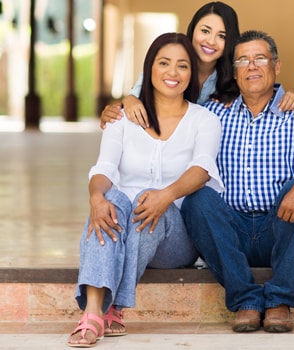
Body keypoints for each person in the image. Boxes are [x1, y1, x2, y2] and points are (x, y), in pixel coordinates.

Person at [66, 32, 223, 347]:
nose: (172, 73)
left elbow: (203, 169)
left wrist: (166, 195)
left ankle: (115, 305)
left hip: (174, 239)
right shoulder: (121, 119)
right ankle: (94, 314)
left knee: (145, 197)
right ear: (149, 68)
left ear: (192, 74)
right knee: (107, 199)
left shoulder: (204, 119)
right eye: (164, 63)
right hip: (124, 222)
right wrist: (95, 197)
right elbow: (105, 167)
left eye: (182, 66)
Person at [180, 30, 294, 333]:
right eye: (243, 60)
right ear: (234, 72)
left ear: (276, 66)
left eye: (260, 59)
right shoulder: (213, 112)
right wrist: (122, 108)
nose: (252, 66)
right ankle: (246, 301)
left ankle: (279, 299)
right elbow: (168, 121)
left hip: (280, 225)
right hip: (231, 230)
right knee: (197, 200)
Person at [100, 2, 294, 129]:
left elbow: (261, 84)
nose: (211, 41)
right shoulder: (169, 60)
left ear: (230, 41)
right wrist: (128, 100)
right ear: (192, 30)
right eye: (205, 31)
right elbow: (135, 96)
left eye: (221, 36)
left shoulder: (232, 73)